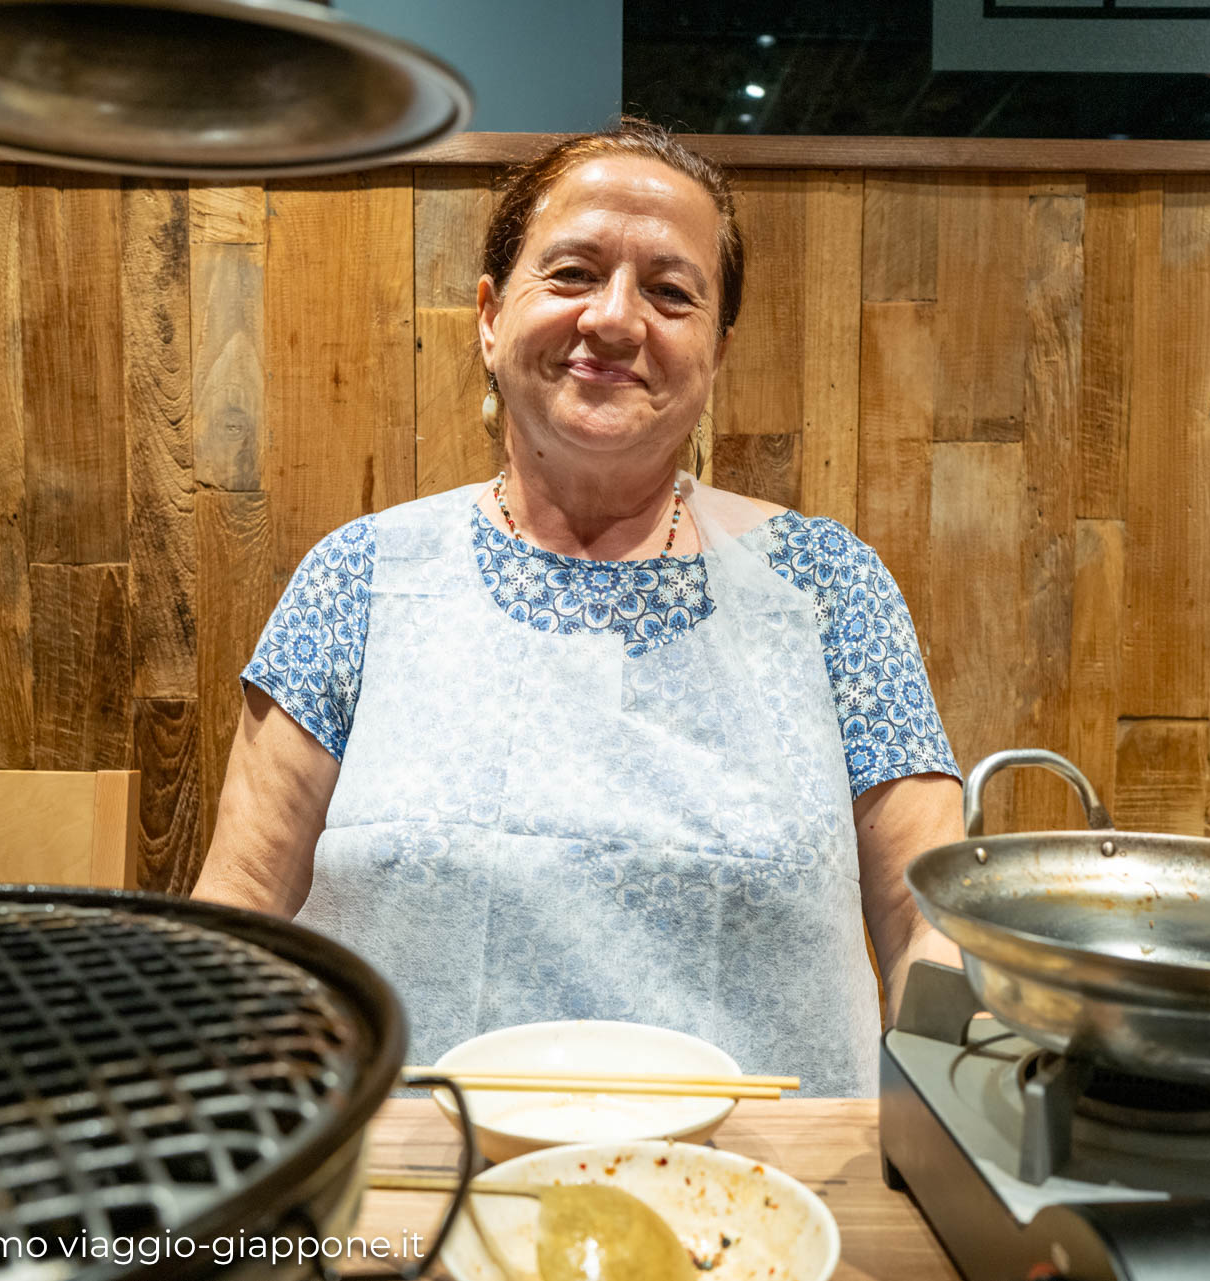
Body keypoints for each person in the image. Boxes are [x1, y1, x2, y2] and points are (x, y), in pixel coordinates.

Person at [194, 119, 963, 1095]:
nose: (615, 320)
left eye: (670, 292)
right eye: (571, 274)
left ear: (717, 349)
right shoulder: (360, 578)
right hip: (410, 1193)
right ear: (488, 314)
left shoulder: (829, 589)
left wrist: (942, 1182)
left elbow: (928, 932)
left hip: (771, 1206)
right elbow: (240, 910)